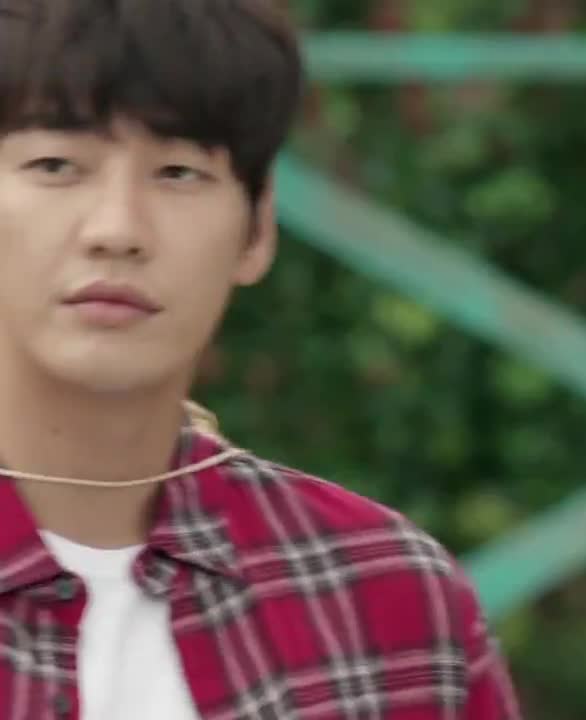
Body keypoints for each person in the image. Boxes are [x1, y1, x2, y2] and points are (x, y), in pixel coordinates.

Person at [0, 1, 521, 718]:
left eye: (179, 172)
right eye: (56, 165)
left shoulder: (390, 596)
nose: (117, 229)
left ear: (257, 230)